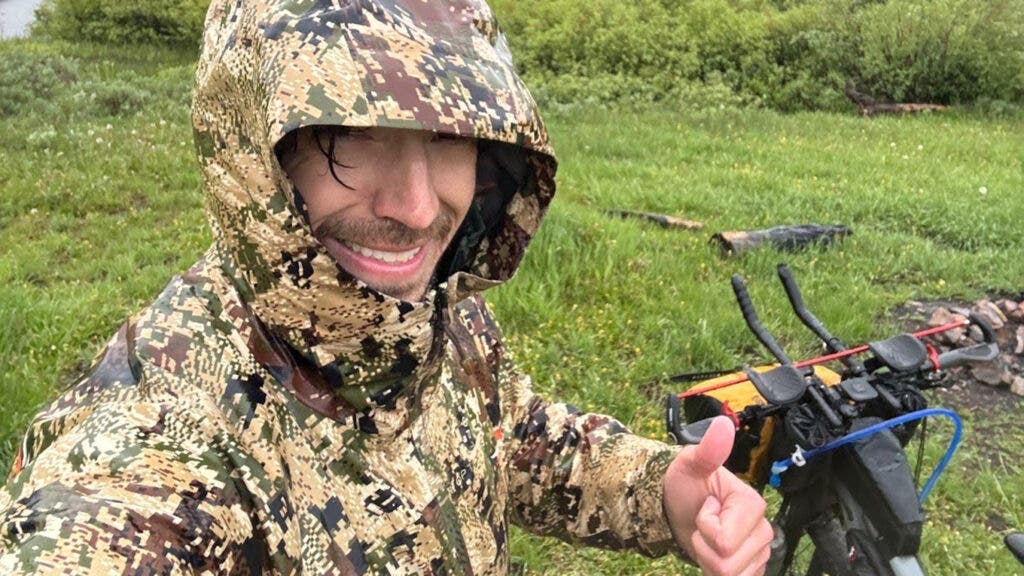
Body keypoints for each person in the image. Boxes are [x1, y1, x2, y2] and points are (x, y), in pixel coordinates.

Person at [0, 0, 772, 574]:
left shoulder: (430, 310)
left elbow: (509, 437)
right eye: (352, 135)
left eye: (446, 137)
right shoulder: (147, 455)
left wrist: (659, 492)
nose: (417, 208)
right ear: (251, 150)